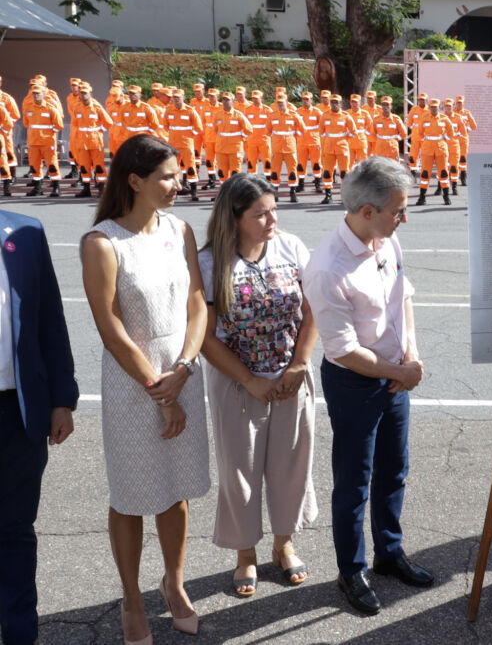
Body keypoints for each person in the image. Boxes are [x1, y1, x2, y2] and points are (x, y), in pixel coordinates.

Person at [81, 134, 211, 644]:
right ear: (134, 181)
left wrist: (184, 366)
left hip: (181, 372)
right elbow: (110, 326)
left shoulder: (179, 230)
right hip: (136, 384)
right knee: (133, 493)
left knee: (175, 488)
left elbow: (198, 303)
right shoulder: (103, 242)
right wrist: (160, 388)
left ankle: (174, 584)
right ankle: (132, 598)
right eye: (167, 177)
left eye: (178, 175)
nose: (178, 185)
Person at [305, 157, 434, 616]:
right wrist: (399, 373)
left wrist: (411, 357)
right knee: (354, 482)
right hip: (355, 383)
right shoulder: (328, 267)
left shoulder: (385, 240)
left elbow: (404, 299)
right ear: (366, 211)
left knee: (394, 471)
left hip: (396, 375)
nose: (404, 217)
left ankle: (389, 553)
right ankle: (351, 569)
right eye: (398, 210)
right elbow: (341, 350)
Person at [198, 174, 318, 598]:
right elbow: (204, 336)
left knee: (291, 465)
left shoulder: (291, 247)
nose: (272, 219)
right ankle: (245, 553)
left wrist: (299, 364)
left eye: (273, 208)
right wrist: (248, 380)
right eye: (260, 213)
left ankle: (284, 543)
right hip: (237, 383)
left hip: (291, 377)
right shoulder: (210, 261)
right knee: (240, 473)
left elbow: (311, 308)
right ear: (234, 219)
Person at [0, 210, 78, 645]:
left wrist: (62, 398)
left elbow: (50, 317)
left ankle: (19, 635)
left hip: (16, 409)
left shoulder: (25, 232)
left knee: (14, 531)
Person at [70, 82, 113, 198]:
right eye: (81, 93)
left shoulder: (97, 107)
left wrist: (99, 131)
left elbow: (109, 122)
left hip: (95, 142)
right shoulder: (77, 108)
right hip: (82, 143)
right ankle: (86, 188)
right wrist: (77, 136)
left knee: (99, 166)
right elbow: (74, 124)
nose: (83, 96)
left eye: (85, 93)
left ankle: (101, 188)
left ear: (90, 94)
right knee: (84, 166)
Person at [22, 85, 64, 197]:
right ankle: (38, 188)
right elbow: (26, 123)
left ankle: (56, 188)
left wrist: (49, 133)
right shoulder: (29, 108)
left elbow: (59, 125)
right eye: (34, 93)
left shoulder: (50, 108)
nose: (36, 95)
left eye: (38, 93)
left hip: (47, 142)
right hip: (33, 142)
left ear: (44, 94)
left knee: (52, 165)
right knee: (34, 165)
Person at [163, 88, 203, 202]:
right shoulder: (169, 110)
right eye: (174, 98)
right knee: (173, 168)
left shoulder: (190, 111)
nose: (176, 100)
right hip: (173, 144)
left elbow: (199, 128)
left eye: (178, 97)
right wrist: (172, 135)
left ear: (183, 98)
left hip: (186, 144)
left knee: (190, 167)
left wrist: (190, 135)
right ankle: (175, 189)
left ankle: (194, 191)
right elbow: (165, 125)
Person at [414, 97, 454, 206]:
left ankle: (446, 196)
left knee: (443, 172)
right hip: (428, 148)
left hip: (441, 148)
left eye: (435, 107)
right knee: (425, 173)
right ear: (429, 107)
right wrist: (428, 140)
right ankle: (422, 197)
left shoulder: (445, 119)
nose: (433, 109)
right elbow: (420, 132)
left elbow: (451, 133)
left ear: (439, 107)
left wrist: (443, 138)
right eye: (431, 107)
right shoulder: (425, 118)